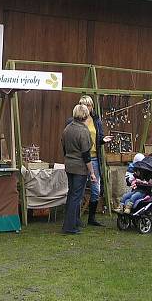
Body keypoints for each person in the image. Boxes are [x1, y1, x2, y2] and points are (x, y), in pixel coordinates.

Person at [65, 95, 112, 227]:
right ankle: (75, 220)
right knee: (77, 190)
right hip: (80, 159)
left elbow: (98, 137)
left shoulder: (96, 120)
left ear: (91, 107)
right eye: (82, 104)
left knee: (95, 189)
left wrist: (102, 140)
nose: (85, 107)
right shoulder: (72, 123)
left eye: (88, 105)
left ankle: (91, 218)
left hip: (94, 158)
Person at [61, 104, 98, 235]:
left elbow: (64, 148)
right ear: (85, 115)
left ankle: (71, 222)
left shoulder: (67, 129)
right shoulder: (83, 131)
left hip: (69, 165)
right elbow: (86, 155)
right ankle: (70, 227)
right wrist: (92, 172)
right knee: (76, 197)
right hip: (79, 167)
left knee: (71, 194)